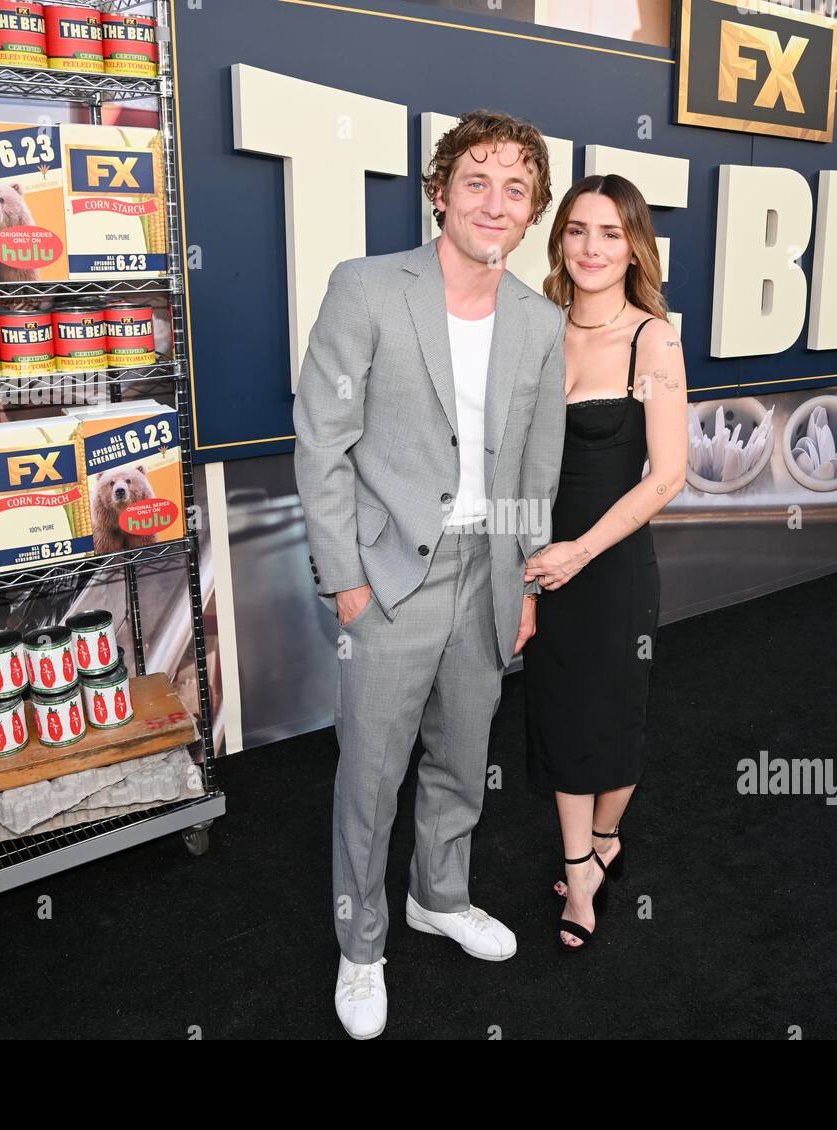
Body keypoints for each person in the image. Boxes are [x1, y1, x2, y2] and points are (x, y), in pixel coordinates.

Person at [293, 110, 567, 1038]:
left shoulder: (540, 319)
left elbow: (537, 464)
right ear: (439, 191)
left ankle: (436, 898)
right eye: (478, 181)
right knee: (370, 775)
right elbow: (323, 442)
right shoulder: (368, 289)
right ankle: (359, 944)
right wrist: (345, 580)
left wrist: (526, 583)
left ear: (533, 214)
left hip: (489, 574)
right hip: (389, 578)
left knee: (463, 758)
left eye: (517, 189)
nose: (496, 203)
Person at [521, 174, 687, 952]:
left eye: (611, 233)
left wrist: (579, 553)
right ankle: (581, 862)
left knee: (612, 720)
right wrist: (528, 565)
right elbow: (519, 466)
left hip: (610, 565)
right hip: (544, 566)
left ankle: (602, 840)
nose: (592, 247)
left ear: (633, 247)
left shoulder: (651, 337)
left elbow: (668, 475)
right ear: (560, 240)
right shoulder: (538, 330)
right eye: (579, 230)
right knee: (558, 714)